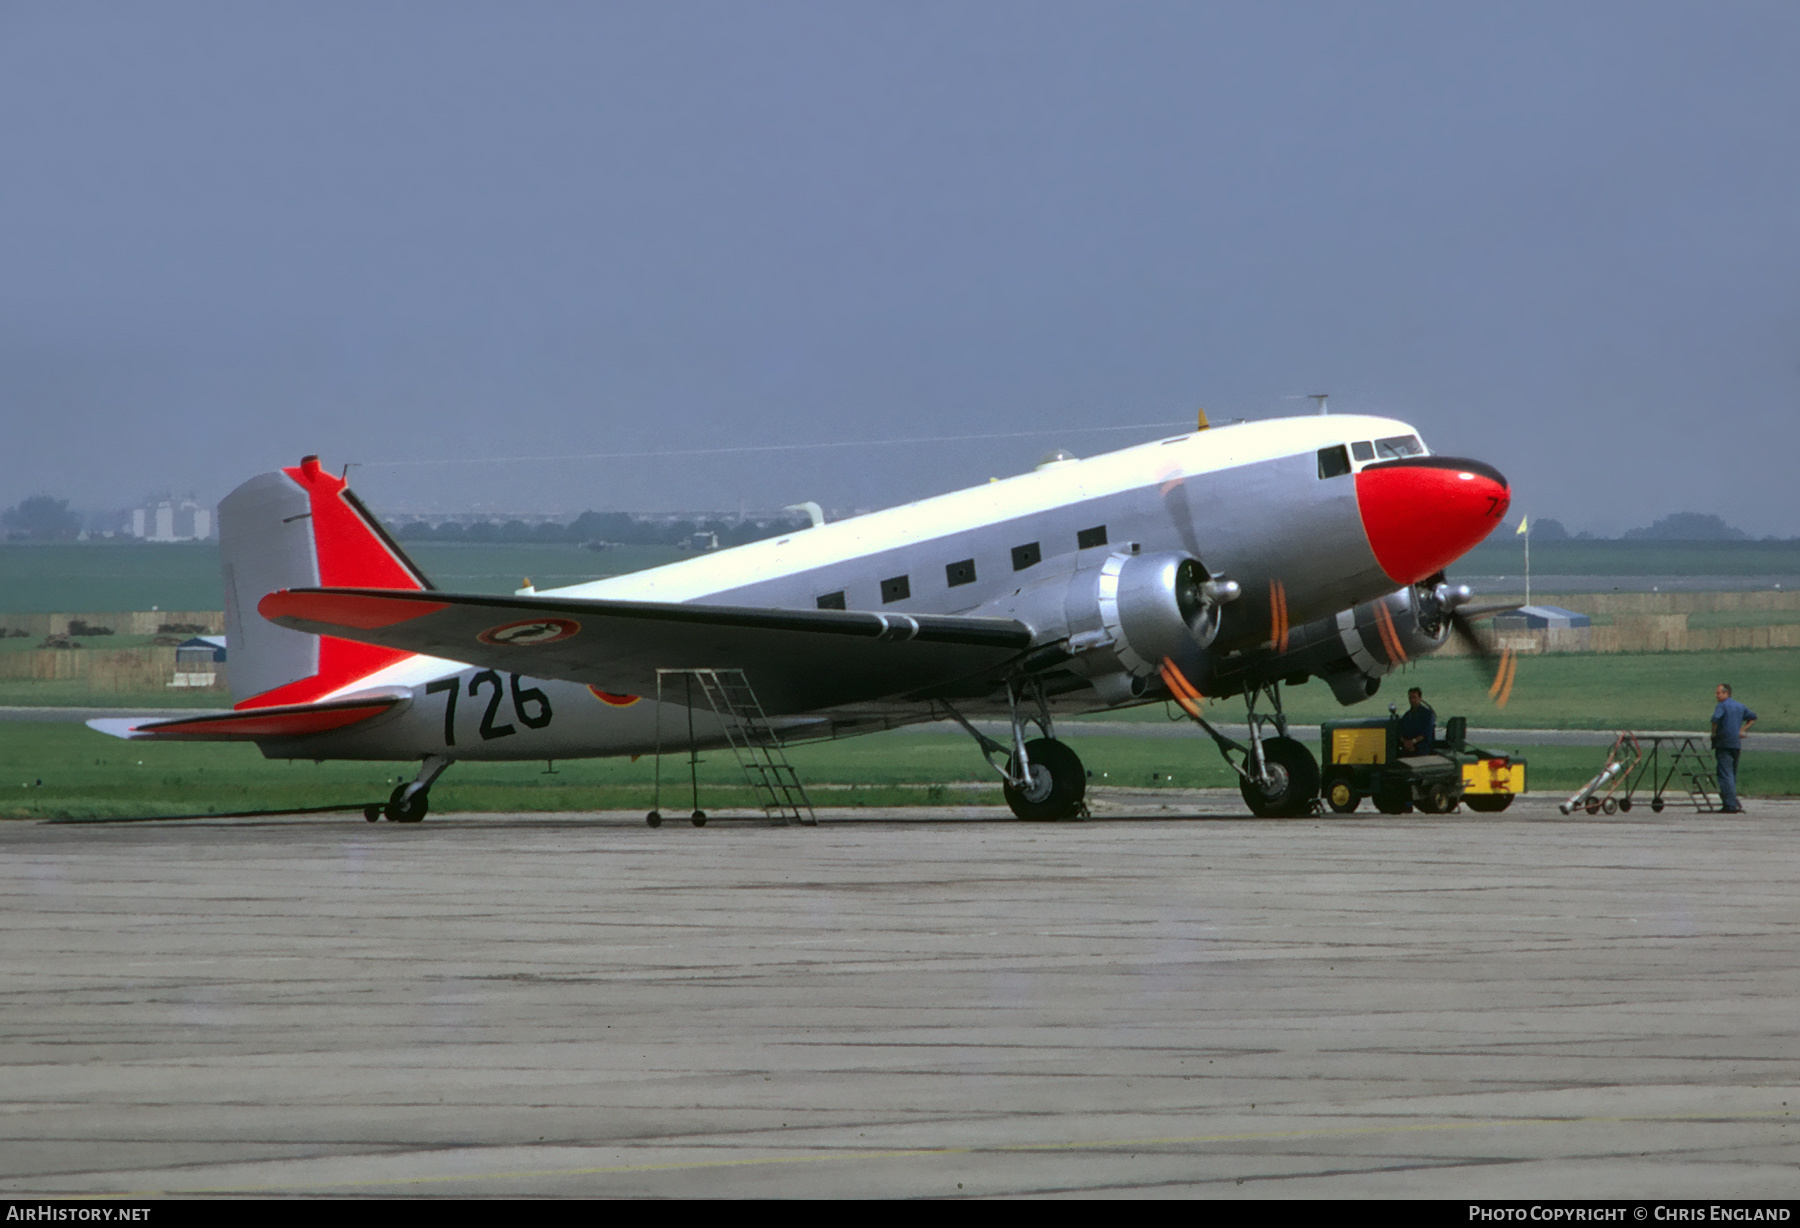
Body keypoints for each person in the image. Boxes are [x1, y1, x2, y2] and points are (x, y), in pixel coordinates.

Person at [1711, 683, 1757, 814]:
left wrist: (1714, 734)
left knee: (1725, 774)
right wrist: (1741, 730)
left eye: (1718, 693)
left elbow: (1715, 720)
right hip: (1736, 744)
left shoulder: (1722, 706)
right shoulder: (1739, 706)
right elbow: (1753, 717)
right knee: (1732, 774)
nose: (1716, 695)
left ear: (1726, 693)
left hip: (1723, 743)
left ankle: (1730, 805)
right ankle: (1733, 802)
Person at [1398, 686, 1435, 754]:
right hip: (1408, 748)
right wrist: (1406, 743)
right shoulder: (1406, 716)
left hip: (1423, 749)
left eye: (1414, 697)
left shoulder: (1427, 714)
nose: (1412, 700)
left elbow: (1426, 733)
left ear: (1420, 698)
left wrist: (1413, 741)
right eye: (1410, 697)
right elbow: (1401, 732)